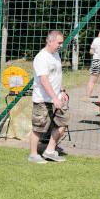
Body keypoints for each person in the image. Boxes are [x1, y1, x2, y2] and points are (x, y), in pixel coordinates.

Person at [29, 30, 69, 164]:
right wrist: (54, 98)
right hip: (42, 100)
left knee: (63, 122)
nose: (61, 46)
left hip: (57, 97)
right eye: (59, 43)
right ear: (49, 41)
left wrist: (62, 91)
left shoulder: (56, 55)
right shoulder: (41, 58)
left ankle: (50, 151)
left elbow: (56, 75)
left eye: (62, 43)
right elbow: (44, 81)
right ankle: (33, 155)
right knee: (38, 128)